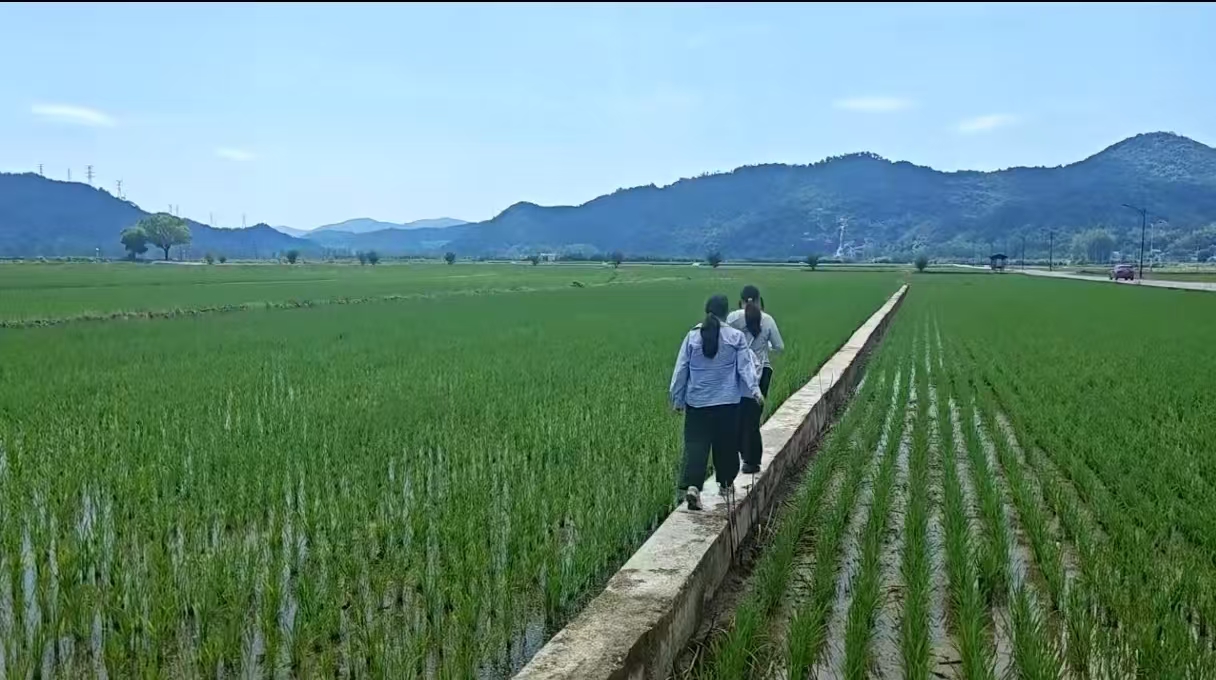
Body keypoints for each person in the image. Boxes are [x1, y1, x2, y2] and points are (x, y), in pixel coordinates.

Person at [669, 294, 763, 510]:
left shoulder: (692, 337)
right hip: (727, 403)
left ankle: (693, 487)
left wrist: (677, 399)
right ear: (726, 313)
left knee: (696, 445)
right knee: (726, 444)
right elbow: (745, 367)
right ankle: (726, 484)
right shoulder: (735, 337)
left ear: (707, 311)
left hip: (697, 403)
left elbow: (681, 369)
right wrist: (755, 391)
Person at [727, 285, 785, 474]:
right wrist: (764, 345)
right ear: (759, 300)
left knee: (737, 415)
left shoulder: (733, 318)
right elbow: (779, 346)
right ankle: (751, 462)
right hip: (761, 373)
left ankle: (738, 454)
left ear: (741, 301)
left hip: (738, 374)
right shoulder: (767, 319)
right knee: (752, 419)